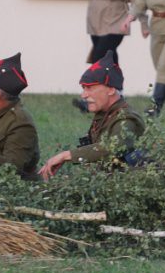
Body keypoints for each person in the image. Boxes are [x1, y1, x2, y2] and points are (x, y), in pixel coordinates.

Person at [39, 51, 146, 179]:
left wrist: (66, 155)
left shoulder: (126, 119)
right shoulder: (105, 115)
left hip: (129, 186)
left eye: (90, 88)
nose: (83, 95)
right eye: (83, 88)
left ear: (111, 89)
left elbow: (112, 148)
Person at [75, 0, 146, 113]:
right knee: (110, 57)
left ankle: (90, 97)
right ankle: (117, 94)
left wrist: (143, 24)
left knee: (100, 57)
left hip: (116, 20)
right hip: (95, 20)